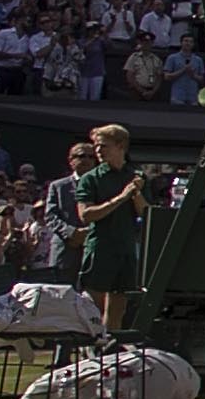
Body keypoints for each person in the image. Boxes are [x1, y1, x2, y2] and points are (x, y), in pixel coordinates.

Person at [66, 122, 156, 338]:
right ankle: (91, 348)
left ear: (120, 146)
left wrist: (136, 194)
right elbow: (86, 215)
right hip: (100, 248)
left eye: (103, 145)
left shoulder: (136, 176)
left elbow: (146, 214)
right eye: (96, 146)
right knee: (92, 308)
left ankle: (110, 349)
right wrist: (121, 198)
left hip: (126, 248)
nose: (98, 150)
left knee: (117, 308)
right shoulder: (91, 178)